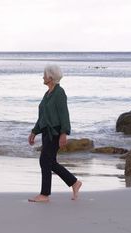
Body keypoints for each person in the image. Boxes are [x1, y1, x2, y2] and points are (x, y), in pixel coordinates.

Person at [28, 64, 82, 202]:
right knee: (49, 162)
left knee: (45, 160)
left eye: (45, 75)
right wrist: (34, 132)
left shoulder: (59, 93)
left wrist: (64, 133)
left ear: (51, 78)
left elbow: (64, 114)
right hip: (46, 133)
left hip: (56, 132)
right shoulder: (47, 94)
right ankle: (74, 183)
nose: (43, 77)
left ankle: (45, 194)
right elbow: (42, 117)